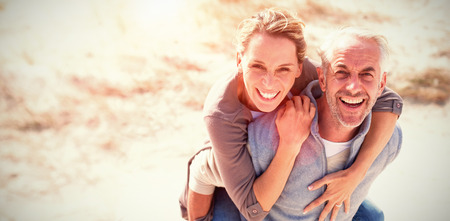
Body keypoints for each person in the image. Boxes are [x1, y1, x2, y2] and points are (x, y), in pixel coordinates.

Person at [179, 8, 403, 221]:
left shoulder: (308, 73)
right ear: (239, 61)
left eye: (283, 69)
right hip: (229, 184)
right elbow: (243, 202)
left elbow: (386, 100)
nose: (269, 81)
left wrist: (356, 173)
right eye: (257, 66)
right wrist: (290, 144)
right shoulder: (222, 114)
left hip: (282, 179)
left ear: (298, 67)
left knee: (371, 216)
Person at [247, 27, 402, 220]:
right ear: (322, 78)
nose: (353, 87)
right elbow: (208, 175)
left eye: (366, 75)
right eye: (341, 72)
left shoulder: (389, 142)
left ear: (381, 84)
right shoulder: (266, 135)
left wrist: (357, 172)